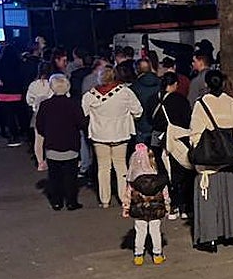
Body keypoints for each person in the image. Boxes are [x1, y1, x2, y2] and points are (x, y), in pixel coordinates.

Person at [190, 70, 233, 253]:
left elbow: (195, 134)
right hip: (230, 160)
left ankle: (210, 238)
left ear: (207, 84)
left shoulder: (201, 105)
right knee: (231, 197)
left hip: (209, 163)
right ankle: (232, 234)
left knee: (209, 200)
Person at [82, 66, 143, 210]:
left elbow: (85, 113)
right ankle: (124, 198)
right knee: (121, 166)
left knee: (103, 167)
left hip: (99, 135)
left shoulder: (90, 95)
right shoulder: (125, 92)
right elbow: (138, 111)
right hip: (120, 133)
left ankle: (105, 200)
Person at [35, 74, 87, 211]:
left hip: (52, 144)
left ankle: (57, 202)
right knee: (71, 175)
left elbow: (39, 126)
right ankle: (71, 201)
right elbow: (82, 123)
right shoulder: (73, 104)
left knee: (54, 176)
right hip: (71, 144)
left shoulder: (45, 105)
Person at [153, 72, 193, 221]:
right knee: (185, 173)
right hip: (181, 139)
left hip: (165, 141)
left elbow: (153, 120)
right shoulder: (181, 100)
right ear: (175, 84)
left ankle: (173, 206)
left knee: (169, 175)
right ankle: (185, 207)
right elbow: (188, 119)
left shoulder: (155, 100)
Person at [124, 143, 170, 266]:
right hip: (156, 209)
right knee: (155, 231)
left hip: (139, 209)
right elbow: (165, 194)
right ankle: (157, 254)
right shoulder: (158, 179)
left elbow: (128, 194)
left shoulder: (134, 179)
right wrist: (167, 206)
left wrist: (126, 207)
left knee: (140, 231)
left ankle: (138, 255)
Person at [0, 45, 27, 147]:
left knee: (9, 117)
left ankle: (12, 135)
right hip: (17, 93)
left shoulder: (0, 64)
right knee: (20, 115)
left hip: (4, 94)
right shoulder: (19, 64)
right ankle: (22, 133)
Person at [26, 64, 54, 169]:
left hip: (38, 113)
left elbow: (29, 100)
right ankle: (49, 160)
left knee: (38, 140)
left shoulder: (33, 85)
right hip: (52, 114)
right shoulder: (53, 83)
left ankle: (40, 162)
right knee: (50, 139)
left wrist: (35, 104)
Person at [130, 58, 162, 148]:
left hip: (140, 127)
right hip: (157, 126)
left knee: (141, 157)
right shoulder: (161, 84)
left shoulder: (133, 88)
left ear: (137, 70)